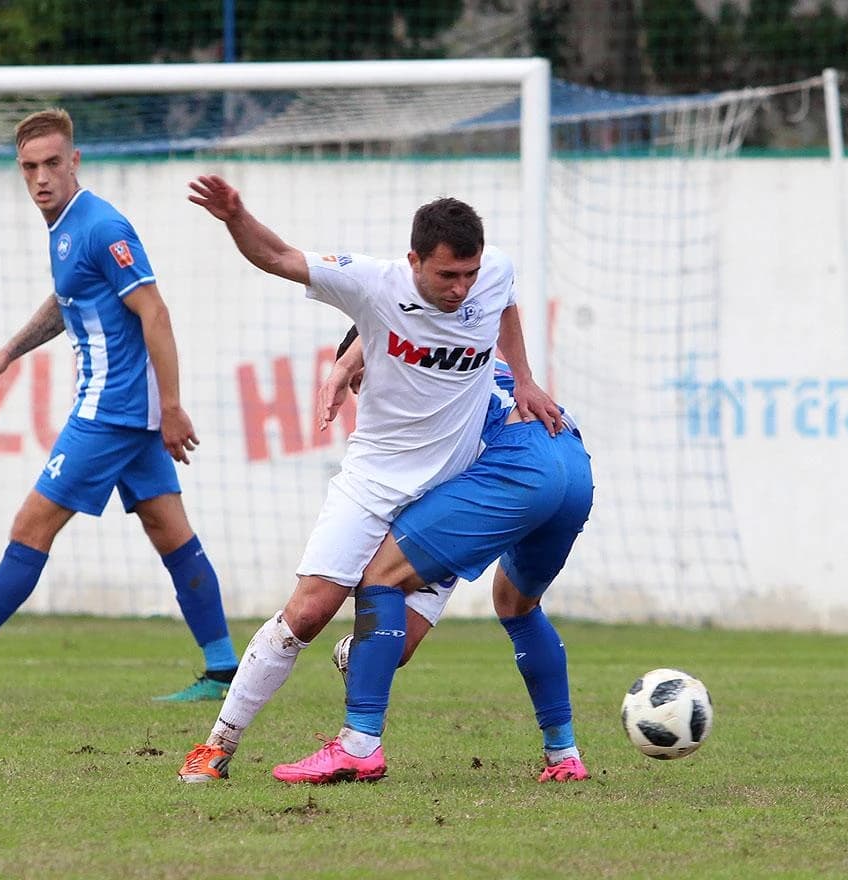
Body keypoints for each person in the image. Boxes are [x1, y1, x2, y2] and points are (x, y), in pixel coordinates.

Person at [177, 174, 562, 783]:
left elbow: (504, 303)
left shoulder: (492, 273)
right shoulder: (373, 283)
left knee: (395, 648)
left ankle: (359, 688)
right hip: (372, 485)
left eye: (469, 274)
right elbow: (278, 257)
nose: (461, 289)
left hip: (448, 495)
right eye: (447, 276)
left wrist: (526, 378)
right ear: (414, 261)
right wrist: (235, 217)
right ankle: (217, 745)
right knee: (307, 613)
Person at [0, 109, 238, 701]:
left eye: (51, 164)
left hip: (110, 411)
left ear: (74, 162)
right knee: (170, 531)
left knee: (31, 526)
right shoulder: (67, 228)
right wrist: (7, 353)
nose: (41, 177)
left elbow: (155, 312)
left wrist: (172, 406)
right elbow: (69, 300)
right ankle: (222, 671)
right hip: (128, 412)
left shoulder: (101, 227)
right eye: (29, 167)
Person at [315, 336, 592, 784]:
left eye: (362, 382)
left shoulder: (416, 376)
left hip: (519, 464)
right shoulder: (465, 351)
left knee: (380, 576)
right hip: (572, 461)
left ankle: (358, 745)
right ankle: (564, 754)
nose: (365, 396)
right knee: (516, 605)